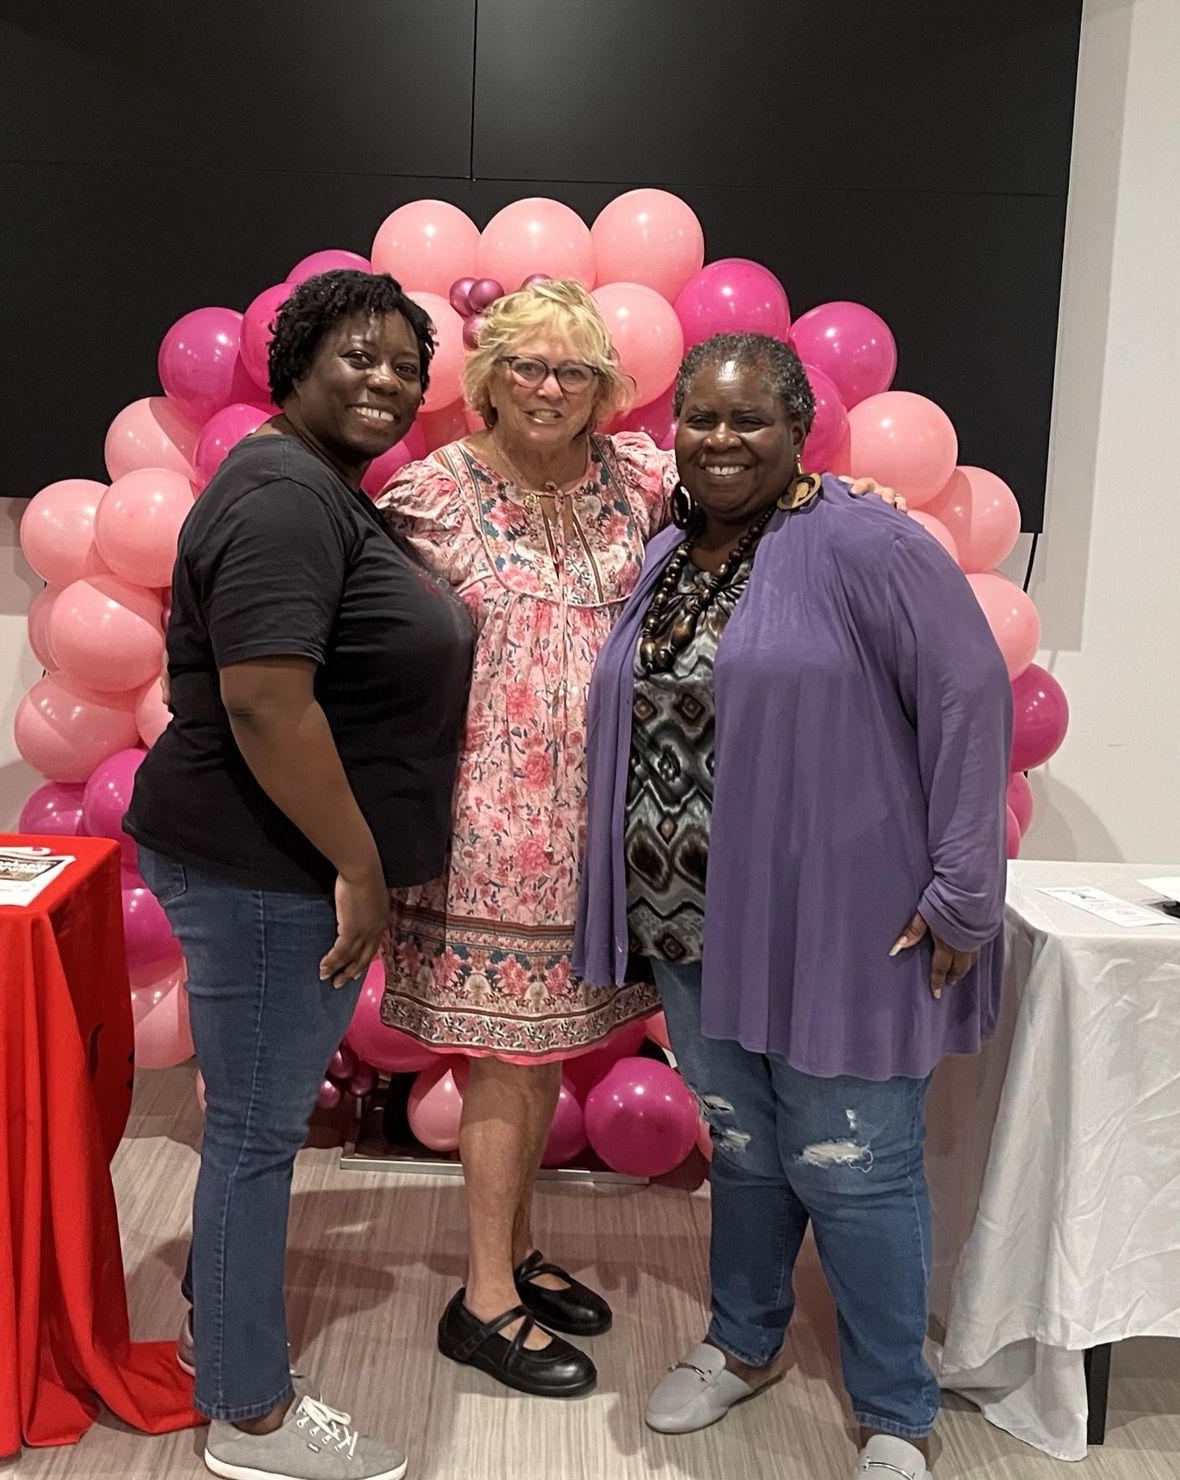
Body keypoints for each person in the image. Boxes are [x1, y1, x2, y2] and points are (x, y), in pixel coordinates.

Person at [374, 282, 901, 1399]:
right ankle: (483, 1301)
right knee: (507, 1062)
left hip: (617, 826)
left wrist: (861, 502)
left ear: (608, 387)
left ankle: (513, 1253)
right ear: (490, 375)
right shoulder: (429, 494)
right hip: (491, 832)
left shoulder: (643, 480)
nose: (549, 387)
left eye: (573, 370)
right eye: (526, 364)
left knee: (543, 1051)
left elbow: (770, 494)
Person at [573, 333, 1012, 1480]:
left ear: (798, 427)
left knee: (855, 1158)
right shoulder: (669, 548)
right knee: (746, 1146)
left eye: (747, 421)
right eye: (700, 420)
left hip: (845, 919)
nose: (719, 441)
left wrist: (964, 890)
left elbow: (970, 702)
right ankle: (744, 1339)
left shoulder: (870, 543)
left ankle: (896, 1410)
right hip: (689, 918)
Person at [125, 271, 475, 1480]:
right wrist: (360, 865)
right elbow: (268, 704)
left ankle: (217, 1336)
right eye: (358, 356)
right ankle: (248, 1411)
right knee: (260, 1136)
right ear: (294, 365)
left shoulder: (319, 487)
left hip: (272, 863)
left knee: (254, 1129)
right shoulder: (283, 493)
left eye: (404, 366)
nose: (384, 380)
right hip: (269, 870)